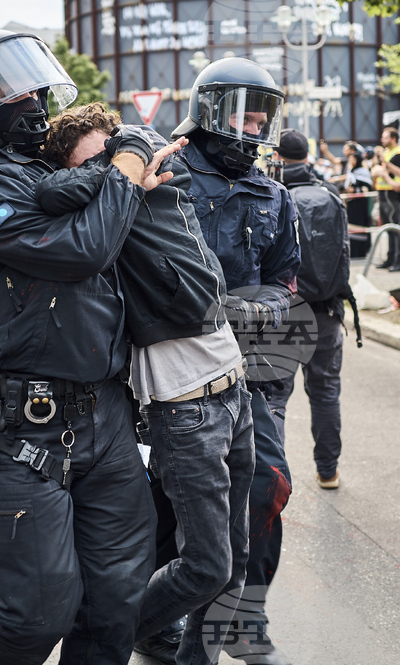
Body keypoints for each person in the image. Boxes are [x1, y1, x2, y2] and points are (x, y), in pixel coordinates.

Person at [0, 31, 155, 665]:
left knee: (116, 600)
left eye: (34, 83)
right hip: (28, 423)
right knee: (37, 612)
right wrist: (124, 168)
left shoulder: (47, 171)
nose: (33, 98)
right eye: (13, 88)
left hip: (109, 413)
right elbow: (81, 250)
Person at [37, 102, 255, 665]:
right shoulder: (98, 201)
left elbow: (139, 142)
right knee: (208, 565)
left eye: (119, 152)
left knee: (234, 555)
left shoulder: (161, 175)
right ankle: (106, 635)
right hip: (184, 408)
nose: (124, 166)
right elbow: (49, 195)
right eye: (101, 160)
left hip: (234, 389)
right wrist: (118, 172)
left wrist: (126, 156)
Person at [156, 57, 300, 665]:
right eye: (244, 112)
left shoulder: (273, 192)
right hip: (168, 370)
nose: (254, 126)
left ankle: (237, 620)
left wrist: (259, 305)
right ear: (212, 111)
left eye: (263, 115)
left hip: (247, 370)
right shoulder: (167, 178)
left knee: (266, 487)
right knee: (164, 501)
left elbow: (287, 277)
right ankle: (151, 618)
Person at [268, 129, 353, 491]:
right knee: (325, 391)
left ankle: (273, 483)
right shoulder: (330, 195)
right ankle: (328, 471)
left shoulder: (273, 194)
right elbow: (344, 255)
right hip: (327, 311)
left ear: (279, 158)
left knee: (274, 399)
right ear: (306, 157)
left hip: (286, 312)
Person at [373, 127, 400, 270]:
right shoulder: (388, 153)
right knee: (388, 229)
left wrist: (385, 165)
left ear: (393, 138)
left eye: (385, 137)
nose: (382, 140)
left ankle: (397, 260)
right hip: (383, 194)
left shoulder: (397, 153)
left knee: (395, 228)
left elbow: (396, 172)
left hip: (392, 195)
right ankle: (390, 258)